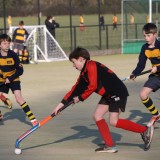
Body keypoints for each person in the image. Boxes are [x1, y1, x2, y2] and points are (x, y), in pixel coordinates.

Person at [52, 47, 154, 153]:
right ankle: (110, 145)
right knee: (97, 115)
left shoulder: (91, 65)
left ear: (81, 59)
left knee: (113, 121)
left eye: (73, 62)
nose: (73, 66)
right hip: (109, 95)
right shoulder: (83, 74)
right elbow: (75, 89)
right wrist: (60, 106)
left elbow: (92, 86)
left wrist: (80, 98)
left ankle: (144, 130)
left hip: (117, 92)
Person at [0, 34, 38, 126]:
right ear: (0, 45)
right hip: (2, 79)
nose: (7, 45)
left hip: (14, 79)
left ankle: (33, 120)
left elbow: (20, 70)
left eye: (8, 43)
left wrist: (10, 78)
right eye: (4, 43)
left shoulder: (13, 55)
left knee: (19, 99)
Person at [130, 23, 160, 127]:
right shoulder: (145, 48)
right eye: (144, 35)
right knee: (143, 94)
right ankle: (156, 115)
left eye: (148, 35)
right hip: (156, 76)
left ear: (155, 34)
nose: (146, 38)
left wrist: (157, 68)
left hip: (157, 71)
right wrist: (134, 73)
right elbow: (141, 64)